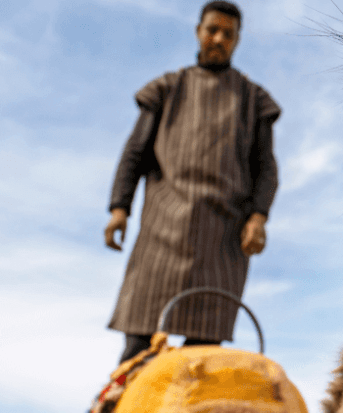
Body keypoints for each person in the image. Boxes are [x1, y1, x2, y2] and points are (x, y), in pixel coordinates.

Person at [104, 1, 280, 363]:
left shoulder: (253, 100)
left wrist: (258, 218)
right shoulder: (168, 88)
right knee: (138, 351)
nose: (219, 38)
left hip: (223, 240)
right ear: (198, 31)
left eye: (228, 34)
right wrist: (119, 209)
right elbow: (134, 154)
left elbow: (266, 168)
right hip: (162, 232)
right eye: (212, 30)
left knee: (200, 359)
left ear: (237, 41)